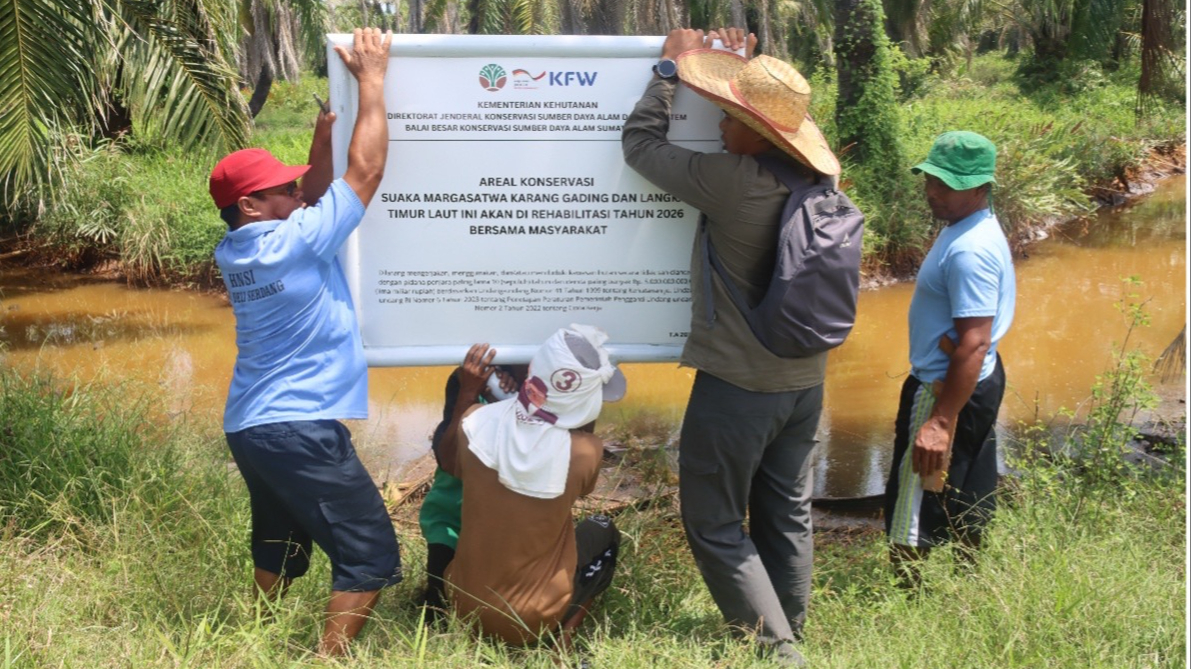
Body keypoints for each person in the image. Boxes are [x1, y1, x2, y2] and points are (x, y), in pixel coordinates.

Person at [622, 28, 842, 666]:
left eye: (730, 116)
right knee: (786, 510)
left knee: (713, 519)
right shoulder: (823, 180)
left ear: (758, 132)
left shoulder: (735, 181)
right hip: (804, 381)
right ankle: (790, 628)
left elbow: (640, 145)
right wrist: (740, 70)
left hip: (739, 386)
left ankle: (778, 653)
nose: (718, 125)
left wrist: (669, 71)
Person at [208, 28, 398, 656]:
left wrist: (319, 145)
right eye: (283, 189)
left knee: (281, 539)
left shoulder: (237, 248)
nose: (297, 192)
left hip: (251, 423)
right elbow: (365, 172)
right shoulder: (294, 242)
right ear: (251, 205)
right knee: (369, 549)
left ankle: (255, 640)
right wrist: (372, 81)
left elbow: (311, 198)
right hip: (295, 424)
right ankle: (328, 659)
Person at [441, 325, 626, 651]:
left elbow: (449, 461)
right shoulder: (584, 451)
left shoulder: (475, 421)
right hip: (530, 620)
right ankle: (562, 642)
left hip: (462, 602)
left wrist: (474, 394)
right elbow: (580, 481)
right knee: (602, 529)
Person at [883, 131, 1015, 584]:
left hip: (944, 385)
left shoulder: (969, 250)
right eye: (930, 179)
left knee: (912, 499)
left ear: (981, 187)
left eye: (947, 184)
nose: (932, 191)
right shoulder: (972, 228)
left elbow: (973, 343)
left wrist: (940, 420)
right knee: (967, 487)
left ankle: (907, 598)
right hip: (975, 380)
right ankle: (970, 585)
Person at [419, 346, 526, 616]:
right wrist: (469, 394)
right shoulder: (472, 377)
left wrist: (512, 404)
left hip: (511, 521)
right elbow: (449, 461)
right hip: (453, 515)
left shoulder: (554, 383)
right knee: (440, 608)